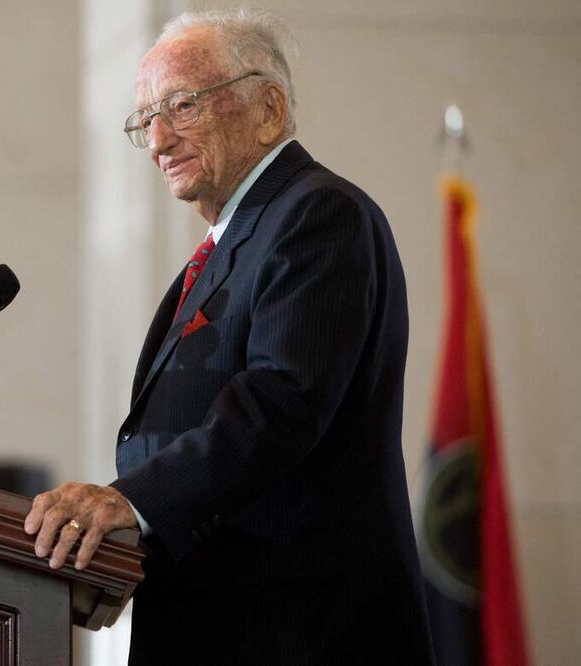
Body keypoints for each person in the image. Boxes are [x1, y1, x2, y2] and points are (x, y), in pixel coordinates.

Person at [24, 8, 435, 664]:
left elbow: (280, 402)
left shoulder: (317, 214)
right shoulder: (232, 243)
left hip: (300, 633)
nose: (156, 141)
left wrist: (129, 505)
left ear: (267, 108)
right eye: (143, 120)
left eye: (180, 106)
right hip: (221, 621)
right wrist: (130, 551)